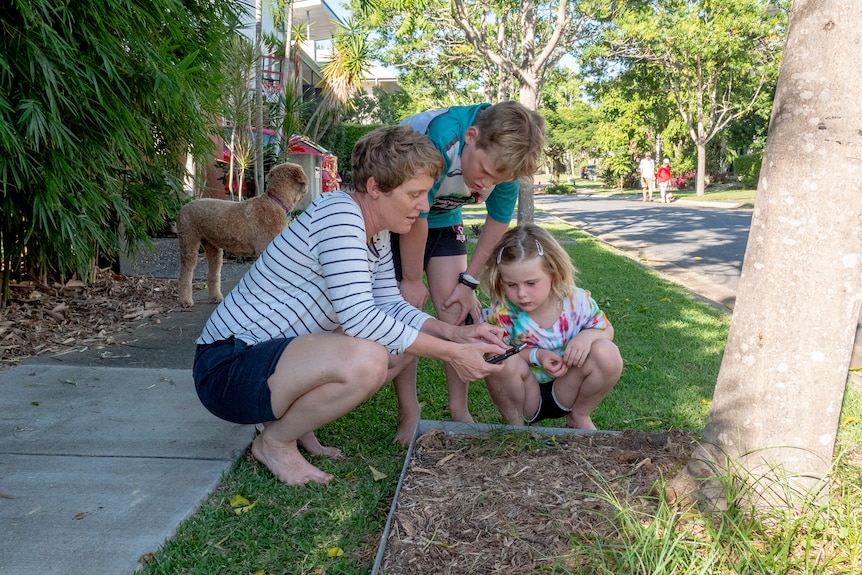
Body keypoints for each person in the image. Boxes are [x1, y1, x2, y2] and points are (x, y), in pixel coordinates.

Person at [192, 126, 508, 486]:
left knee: (402, 344)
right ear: (375, 188)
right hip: (226, 367)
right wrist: (453, 353)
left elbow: (389, 304)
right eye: (416, 194)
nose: (424, 207)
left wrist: (458, 334)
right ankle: (276, 442)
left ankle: (292, 428)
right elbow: (361, 320)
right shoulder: (340, 215)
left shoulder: (378, 228)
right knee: (369, 359)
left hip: (268, 358)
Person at [391, 101, 546, 443]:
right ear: (471, 137)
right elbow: (416, 215)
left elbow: (497, 221)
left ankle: (458, 410)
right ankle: (409, 409)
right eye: (485, 173)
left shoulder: (505, 160)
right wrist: (413, 281)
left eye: (497, 180)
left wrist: (469, 282)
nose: (485, 185)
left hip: (445, 221)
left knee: (457, 310)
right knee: (407, 310)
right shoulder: (442, 138)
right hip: (402, 220)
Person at [477, 224, 623, 429]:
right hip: (525, 394)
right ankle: (513, 426)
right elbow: (495, 350)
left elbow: (606, 329)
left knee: (607, 353)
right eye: (511, 285)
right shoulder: (502, 313)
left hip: (568, 386)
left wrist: (587, 337)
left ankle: (579, 416)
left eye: (531, 283)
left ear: (554, 274)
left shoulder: (577, 301)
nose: (521, 294)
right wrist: (537, 355)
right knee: (499, 361)